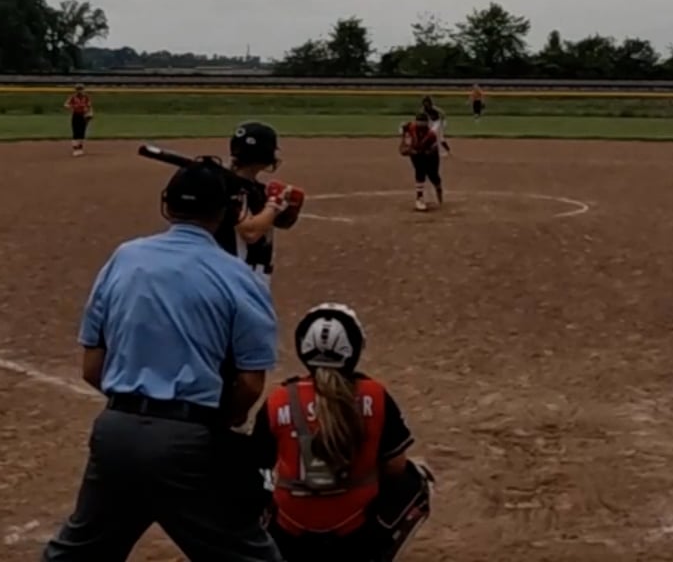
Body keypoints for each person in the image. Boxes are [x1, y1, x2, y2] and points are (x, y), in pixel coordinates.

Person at [40, 158, 285, 562]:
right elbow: (249, 384)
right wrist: (216, 419)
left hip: (115, 434)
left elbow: (92, 367)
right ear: (225, 212)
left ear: (167, 205)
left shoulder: (124, 257)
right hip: (188, 441)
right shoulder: (238, 276)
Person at [251, 303, 433, 562]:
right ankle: (377, 554)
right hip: (355, 537)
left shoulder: (279, 398)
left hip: (291, 536)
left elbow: (258, 469)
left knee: (253, 486)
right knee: (417, 479)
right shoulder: (374, 395)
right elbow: (395, 467)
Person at [213, 122, 306, 287]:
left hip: (247, 274)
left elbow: (283, 223)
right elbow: (250, 232)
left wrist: (286, 209)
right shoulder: (230, 188)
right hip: (237, 275)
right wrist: (275, 203)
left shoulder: (257, 190)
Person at [399, 112, 444, 213]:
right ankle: (419, 198)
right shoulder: (410, 128)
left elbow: (433, 151)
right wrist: (409, 149)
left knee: (433, 175)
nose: (421, 129)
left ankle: (438, 188)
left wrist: (424, 152)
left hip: (430, 155)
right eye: (419, 126)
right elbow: (404, 148)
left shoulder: (431, 136)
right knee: (420, 171)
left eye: (423, 127)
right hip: (416, 153)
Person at [66, 85, 95, 157]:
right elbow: (66, 104)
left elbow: (89, 106)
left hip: (83, 115)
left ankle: (80, 148)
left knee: (82, 131)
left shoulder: (86, 97)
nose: (80, 91)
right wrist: (73, 107)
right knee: (75, 131)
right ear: (76, 90)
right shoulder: (73, 97)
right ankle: (75, 149)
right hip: (76, 115)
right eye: (78, 89)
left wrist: (90, 113)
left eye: (81, 89)